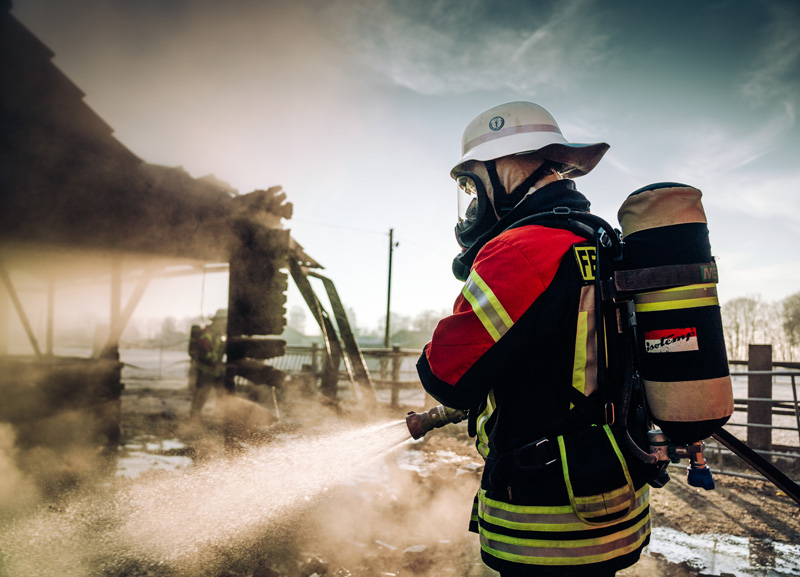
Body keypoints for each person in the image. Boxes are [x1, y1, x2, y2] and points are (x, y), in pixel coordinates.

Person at [417, 101, 650, 576]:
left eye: (472, 183)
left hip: (544, 521)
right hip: (618, 498)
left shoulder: (521, 249)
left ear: (504, 167)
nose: (472, 200)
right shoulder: (598, 237)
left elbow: (445, 375)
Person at [189, 309, 228, 417]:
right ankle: (194, 419)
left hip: (215, 370)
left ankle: (219, 416)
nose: (225, 323)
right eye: (224, 321)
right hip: (205, 370)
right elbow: (204, 352)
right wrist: (216, 362)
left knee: (221, 393)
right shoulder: (207, 333)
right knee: (202, 393)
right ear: (218, 321)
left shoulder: (219, 334)